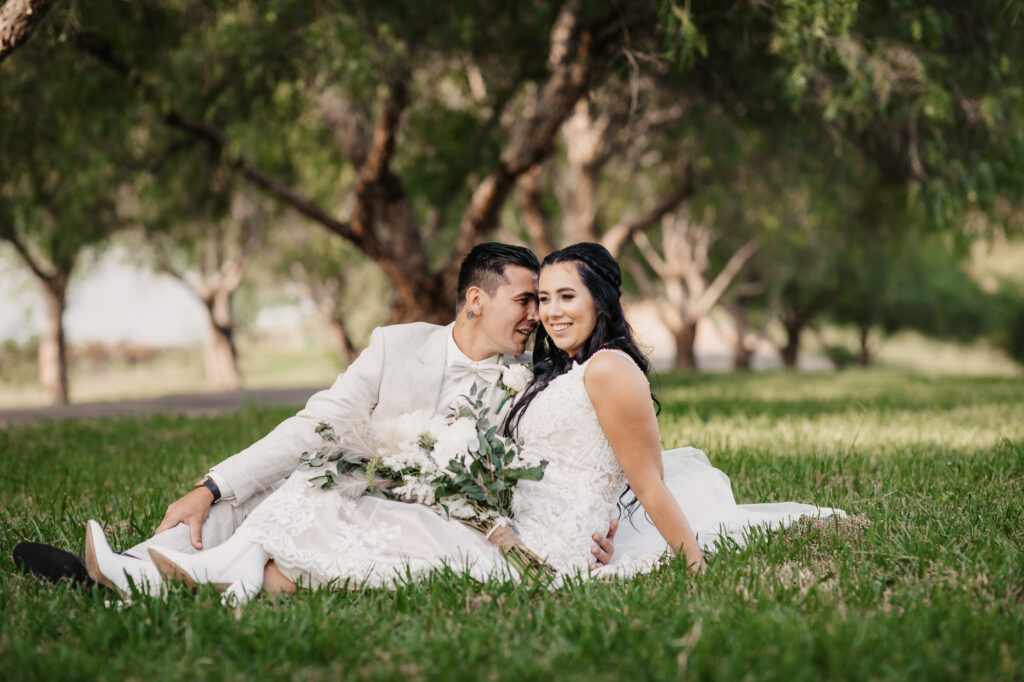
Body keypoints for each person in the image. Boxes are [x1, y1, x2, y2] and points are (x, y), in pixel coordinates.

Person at [87, 243, 709, 604]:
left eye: (555, 298)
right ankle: (144, 562)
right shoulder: (395, 345)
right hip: (373, 488)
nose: (540, 315)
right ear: (474, 300)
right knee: (296, 479)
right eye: (532, 299)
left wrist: (607, 521)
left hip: (464, 517)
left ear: (598, 297)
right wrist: (211, 485)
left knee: (315, 492)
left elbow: (601, 459)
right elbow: (312, 427)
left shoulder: (535, 379)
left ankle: (176, 578)